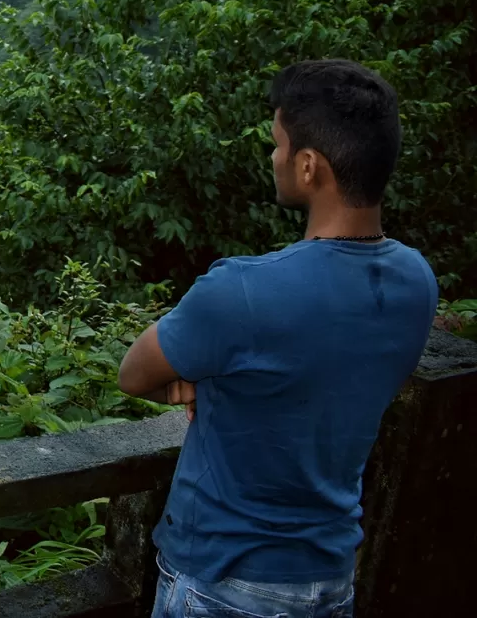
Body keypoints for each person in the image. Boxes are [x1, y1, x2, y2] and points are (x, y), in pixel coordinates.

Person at [117, 60, 437, 618]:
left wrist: (200, 381)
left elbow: (134, 374)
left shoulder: (242, 291)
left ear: (309, 166)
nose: (273, 157)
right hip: (330, 581)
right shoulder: (416, 282)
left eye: (278, 143)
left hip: (225, 582)